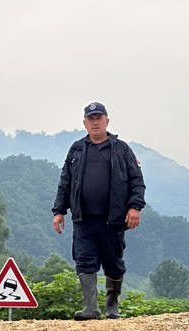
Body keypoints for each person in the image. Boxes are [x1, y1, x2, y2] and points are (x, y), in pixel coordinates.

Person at [52, 102, 146, 319]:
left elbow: (137, 181)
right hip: (83, 218)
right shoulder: (76, 149)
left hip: (113, 219)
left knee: (113, 262)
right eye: (90, 118)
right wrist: (59, 211)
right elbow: (65, 181)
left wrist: (135, 207)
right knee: (84, 260)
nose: (95, 122)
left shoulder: (121, 149)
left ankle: (112, 307)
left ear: (107, 121)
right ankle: (91, 308)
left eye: (99, 118)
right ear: (85, 123)